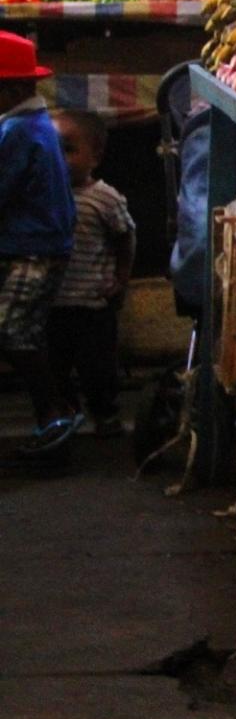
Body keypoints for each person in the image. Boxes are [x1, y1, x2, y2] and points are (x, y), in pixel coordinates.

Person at [0, 31, 76, 458]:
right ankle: (56, 408)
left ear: (11, 89)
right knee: (23, 332)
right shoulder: (31, 123)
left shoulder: (18, 132)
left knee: (13, 332)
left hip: (36, 249)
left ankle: (54, 413)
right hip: (38, 244)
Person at [47, 109, 134, 438]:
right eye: (52, 150)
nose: (59, 159)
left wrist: (121, 279)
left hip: (93, 304)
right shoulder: (46, 197)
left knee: (97, 366)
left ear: (95, 156)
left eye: (68, 150)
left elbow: (126, 237)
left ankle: (105, 413)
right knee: (55, 365)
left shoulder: (104, 198)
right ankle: (65, 414)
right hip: (53, 302)